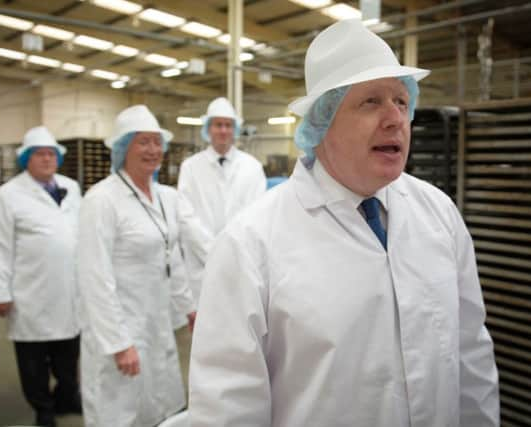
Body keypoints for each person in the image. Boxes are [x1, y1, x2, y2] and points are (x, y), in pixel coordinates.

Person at [188, 19, 500, 427]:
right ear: (321, 121)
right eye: (371, 101)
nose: (395, 119)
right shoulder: (250, 246)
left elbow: (471, 355)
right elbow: (227, 409)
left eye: (402, 101)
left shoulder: (439, 214)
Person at [77, 105, 196, 427]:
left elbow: (174, 259)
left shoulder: (166, 197)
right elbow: (94, 277)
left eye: (157, 142)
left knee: (159, 407)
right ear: (122, 148)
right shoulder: (102, 199)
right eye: (143, 142)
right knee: (120, 411)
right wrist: (118, 343)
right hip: (121, 327)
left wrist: (189, 308)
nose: (153, 150)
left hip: (157, 322)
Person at [0, 126, 82, 427]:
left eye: (51, 154)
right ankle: (43, 407)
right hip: (30, 294)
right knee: (33, 360)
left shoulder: (71, 188)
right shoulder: (8, 195)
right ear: (26, 159)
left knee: (68, 355)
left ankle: (67, 397)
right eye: (40, 154)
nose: (47, 159)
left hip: (69, 291)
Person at [177, 97, 266, 304]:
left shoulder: (252, 167)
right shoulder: (190, 167)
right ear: (208, 129)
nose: (223, 130)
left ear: (235, 129)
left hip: (243, 263)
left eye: (228, 125)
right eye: (218, 125)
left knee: (242, 326)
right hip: (202, 268)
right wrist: (214, 253)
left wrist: (232, 253)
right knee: (206, 329)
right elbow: (186, 217)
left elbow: (259, 215)